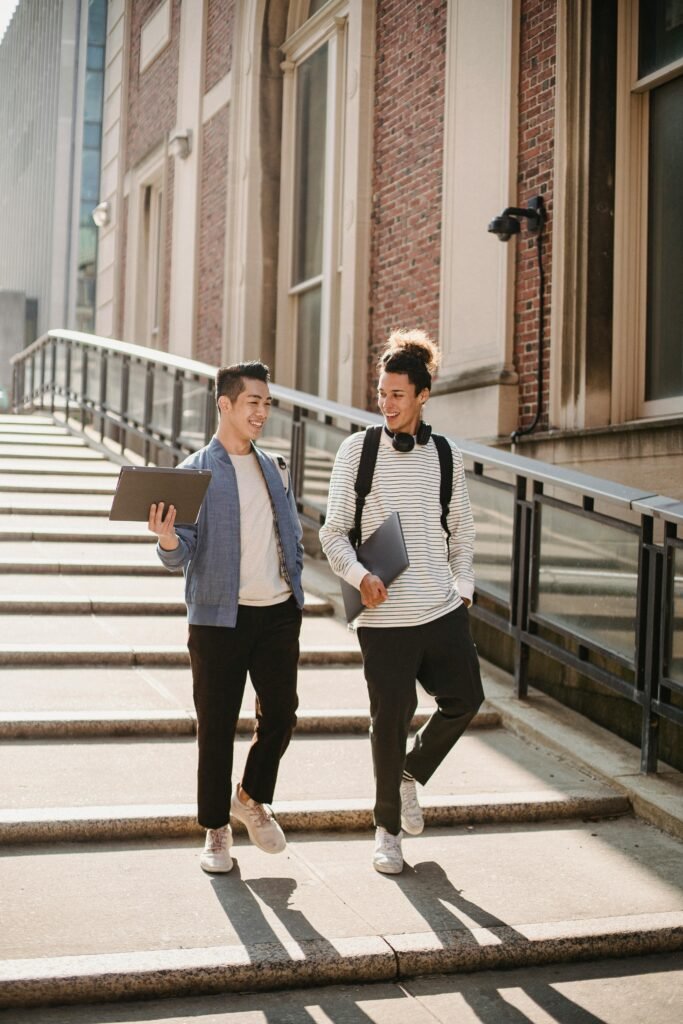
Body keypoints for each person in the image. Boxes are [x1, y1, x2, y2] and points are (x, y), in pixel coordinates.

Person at [319, 330, 484, 874]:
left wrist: (462, 589)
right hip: (384, 617)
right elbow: (333, 532)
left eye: (396, 394)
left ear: (422, 396)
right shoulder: (357, 450)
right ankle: (386, 830)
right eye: (381, 393)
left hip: (440, 609)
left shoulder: (444, 454)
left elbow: (460, 531)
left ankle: (409, 773)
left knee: (465, 698)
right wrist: (360, 574)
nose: (385, 404)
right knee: (389, 722)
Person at [148, 361, 304, 874]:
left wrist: (295, 583)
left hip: (278, 612)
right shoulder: (195, 471)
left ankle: (251, 796)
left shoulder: (275, 467)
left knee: (281, 714)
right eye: (252, 402)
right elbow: (180, 553)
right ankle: (216, 828)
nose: (261, 412)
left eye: (266, 402)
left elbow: (292, 536)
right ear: (226, 405)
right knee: (216, 726)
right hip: (219, 619)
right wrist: (168, 537)